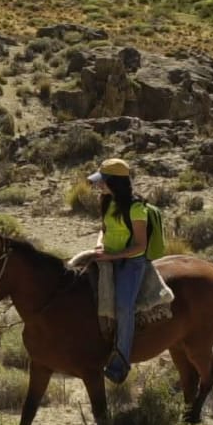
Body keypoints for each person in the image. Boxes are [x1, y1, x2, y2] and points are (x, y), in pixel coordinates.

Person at [76, 157, 165, 384]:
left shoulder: (136, 209)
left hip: (131, 263)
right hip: (107, 255)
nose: (98, 186)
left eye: (102, 182)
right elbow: (103, 230)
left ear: (114, 182)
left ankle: (121, 362)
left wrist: (111, 256)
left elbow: (140, 246)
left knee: (124, 307)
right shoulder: (107, 201)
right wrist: (99, 244)